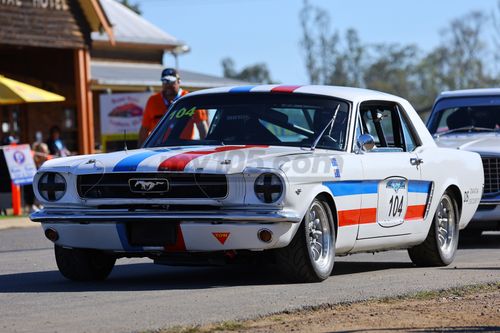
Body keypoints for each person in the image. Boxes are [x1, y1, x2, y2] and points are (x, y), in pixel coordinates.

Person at [138, 68, 208, 145]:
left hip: (184, 149)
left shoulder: (190, 99)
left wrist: (205, 147)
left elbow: (202, 127)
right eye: (165, 81)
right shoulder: (153, 101)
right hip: (158, 149)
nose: (168, 85)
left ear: (179, 81)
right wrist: (140, 150)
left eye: (171, 81)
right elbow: (144, 129)